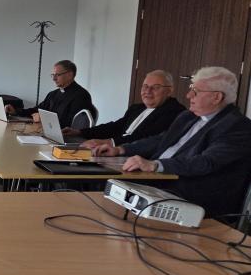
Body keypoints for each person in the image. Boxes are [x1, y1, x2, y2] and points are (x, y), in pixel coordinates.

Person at [93, 66, 251, 218]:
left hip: (190, 195)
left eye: (196, 91)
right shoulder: (188, 116)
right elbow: (161, 139)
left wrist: (156, 165)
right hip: (157, 180)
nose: (188, 95)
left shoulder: (238, 127)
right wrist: (120, 149)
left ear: (217, 97)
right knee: (99, 180)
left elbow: (206, 162)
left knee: (106, 191)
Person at [63, 70, 185, 147]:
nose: (148, 91)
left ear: (169, 90)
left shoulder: (174, 111)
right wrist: (80, 132)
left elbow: (145, 138)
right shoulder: (137, 108)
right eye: (145, 86)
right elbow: (115, 126)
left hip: (137, 158)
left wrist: (109, 142)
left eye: (155, 87)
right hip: (116, 151)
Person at [6, 60, 94, 127]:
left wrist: (44, 119)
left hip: (65, 139)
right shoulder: (53, 94)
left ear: (70, 75)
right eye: (53, 75)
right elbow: (37, 110)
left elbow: (72, 124)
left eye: (57, 75)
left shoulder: (81, 95)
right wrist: (16, 111)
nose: (54, 79)